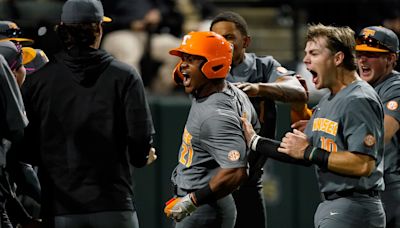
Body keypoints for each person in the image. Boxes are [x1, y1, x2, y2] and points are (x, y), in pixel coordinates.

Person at [17, 0, 156, 227]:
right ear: (99, 29)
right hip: (114, 206)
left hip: (60, 209)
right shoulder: (125, 76)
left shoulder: (38, 81)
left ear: (62, 29)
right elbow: (140, 142)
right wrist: (141, 157)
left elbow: (25, 149)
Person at [241, 24, 386, 228]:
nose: (306, 60)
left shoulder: (358, 98)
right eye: (306, 53)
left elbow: (362, 164)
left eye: (314, 53)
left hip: (354, 205)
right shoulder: (327, 101)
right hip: (335, 204)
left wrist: (309, 151)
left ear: (338, 58)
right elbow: (298, 153)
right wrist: (255, 141)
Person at [209, 11, 308, 228]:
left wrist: (259, 88)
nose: (223, 44)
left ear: (245, 41)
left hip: (248, 180)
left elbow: (298, 91)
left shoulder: (262, 66)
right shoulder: (206, 68)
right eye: (216, 38)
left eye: (229, 37)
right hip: (210, 180)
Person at [163, 31, 260, 228]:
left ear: (213, 65)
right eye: (183, 58)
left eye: (191, 60)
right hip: (209, 201)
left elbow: (235, 171)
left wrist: (192, 201)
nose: (182, 65)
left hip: (204, 209)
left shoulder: (215, 114)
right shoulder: (232, 92)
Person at [356, 25, 400, 228]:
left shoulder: (395, 87)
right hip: (373, 186)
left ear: (391, 59)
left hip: (393, 186)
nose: (362, 60)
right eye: (359, 54)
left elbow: (383, 134)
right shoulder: (361, 89)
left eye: (371, 54)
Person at [101, 0, 182, 94]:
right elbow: (101, 17)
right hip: (118, 33)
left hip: (147, 34)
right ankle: (133, 99)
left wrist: (159, 14)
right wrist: (130, 22)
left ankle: (158, 96)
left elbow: (169, 10)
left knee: (178, 50)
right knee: (129, 49)